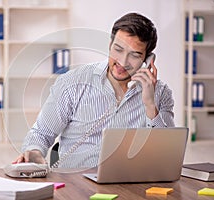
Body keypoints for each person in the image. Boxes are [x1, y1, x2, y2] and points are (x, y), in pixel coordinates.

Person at [14, 12, 175, 168]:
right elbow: (41, 134)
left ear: (148, 59)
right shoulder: (73, 83)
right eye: (118, 49)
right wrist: (34, 156)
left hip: (133, 185)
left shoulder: (160, 93)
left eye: (134, 55)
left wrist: (150, 105)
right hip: (76, 183)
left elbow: (168, 155)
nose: (122, 61)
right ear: (110, 45)